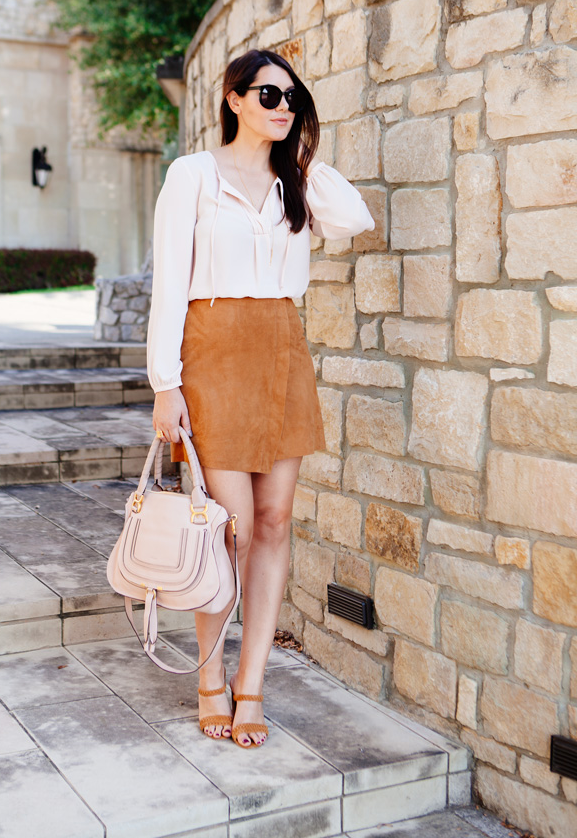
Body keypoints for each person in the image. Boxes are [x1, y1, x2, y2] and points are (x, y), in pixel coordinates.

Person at [147, 48, 375, 748]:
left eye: (292, 98)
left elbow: (354, 217)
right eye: (268, 95)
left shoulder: (294, 182)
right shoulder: (193, 175)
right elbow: (169, 284)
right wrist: (164, 383)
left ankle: (250, 688)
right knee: (230, 529)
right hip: (211, 350)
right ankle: (208, 676)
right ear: (234, 98)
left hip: (281, 345)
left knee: (274, 523)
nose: (281, 106)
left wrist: (301, 149)